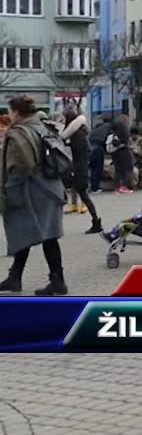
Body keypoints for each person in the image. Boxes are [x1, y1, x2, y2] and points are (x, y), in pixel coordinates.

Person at [0, 95, 70, 295]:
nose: (9, 114)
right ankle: (15, 277)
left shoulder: (18, 133)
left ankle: (58, 282)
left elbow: (21, 166)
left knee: (41, 235)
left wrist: (8, 189)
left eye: (10, 110)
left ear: (16, 112)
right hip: (51, 187)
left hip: (32, 191)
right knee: (27, 233)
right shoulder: (44, 126)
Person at [59, 104, 102, 234]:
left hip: (78, 168)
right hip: (80, 167)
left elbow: (76, 151)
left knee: (82, 195)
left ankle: (96, 221)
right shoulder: (80, 132)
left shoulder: (76, 134)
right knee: (83, 195)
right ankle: (96, 221)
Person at [107, 114, 134, 194]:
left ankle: (117, 187)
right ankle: (124, 186)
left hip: (115, 151)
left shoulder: (113, 126)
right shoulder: (123, 126)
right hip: (123, 150)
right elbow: (125, 139)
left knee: (118, 170)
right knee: (128, 169)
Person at [87, 115, 111, 192]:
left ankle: (89, 186)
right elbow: (109, 140)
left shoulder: (96, 128)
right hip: (98, 148)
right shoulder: (109, 128)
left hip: (90, 147)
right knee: (97, 168)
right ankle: (95, 187)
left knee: (91, 168)